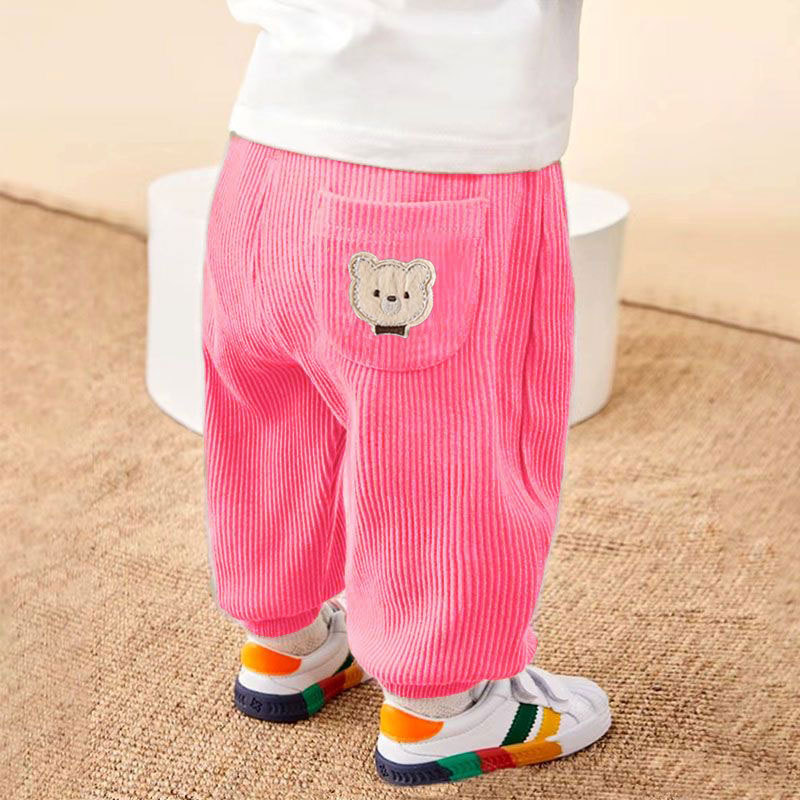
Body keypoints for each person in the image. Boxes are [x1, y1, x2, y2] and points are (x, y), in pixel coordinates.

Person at [202, 0, 610, 786]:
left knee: (270, 417)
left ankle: (284, 644)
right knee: (443, 448)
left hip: (267, 152)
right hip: (443, 157)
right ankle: (440, 705)